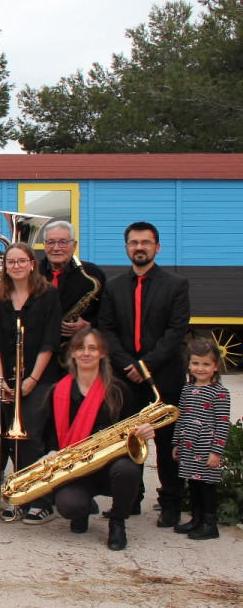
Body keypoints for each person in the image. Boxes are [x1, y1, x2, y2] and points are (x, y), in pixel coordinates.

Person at [97, 221, 190, 526]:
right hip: (125, 378)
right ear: (126, 247)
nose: (140, 247)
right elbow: (107, 331)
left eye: (146, 243)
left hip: (163, 379)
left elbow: (176, 332)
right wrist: (130, 366)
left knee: (164, 444)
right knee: (125, 442)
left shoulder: (176, 284)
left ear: (157, 247)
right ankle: (130, 499)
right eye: (134, 242)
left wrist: (145, 366)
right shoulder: (113, 286)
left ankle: (171, 504)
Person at [46, 327, 155, 550]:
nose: (86, 353)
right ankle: (82, 511)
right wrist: (51, 453)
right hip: (74, 469)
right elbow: (48, 434)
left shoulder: (119, 391)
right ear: (73, 354)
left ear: (103, 354)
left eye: (92, 348)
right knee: (69, 506)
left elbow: (132, 434)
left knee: (128, 470)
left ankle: (117, 521)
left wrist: (143, 433)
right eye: (80, 348)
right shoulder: (57, 391)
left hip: (109, 467)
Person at [0, 242, 62, 522]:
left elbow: (50, 341)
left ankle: (41, 500)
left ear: (32, 263)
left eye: (21, 261)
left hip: (40, 378)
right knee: (13, 440)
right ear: (4, 267)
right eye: (10, 262)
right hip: (7, 378)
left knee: (32, 437)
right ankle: (21, 494)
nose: (15, 266)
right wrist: (0, 381)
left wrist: (32, 379)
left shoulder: (48, 294)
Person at [171, 337, 230, 540]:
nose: (200, 368)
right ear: (189, 364)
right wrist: (177, 443)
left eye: (206, 364)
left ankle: (209, 524)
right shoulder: (187, 389)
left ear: (216, 366)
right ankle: (196, 519)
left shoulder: (220, 393)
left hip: (206, 449)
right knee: (193, 484)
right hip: (189, 446)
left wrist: (216, 452)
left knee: (206, 486)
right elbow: (182, 417)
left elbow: (223, 424)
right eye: (196, 363)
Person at [37, 220, 106, 340]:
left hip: (78, 346)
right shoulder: (34, 273)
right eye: (50, 242)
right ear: (44, 245)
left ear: (74, 245)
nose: (56, 248)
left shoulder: (91, 273)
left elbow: (107, 314)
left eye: (63, 242)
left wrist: (90, 325)